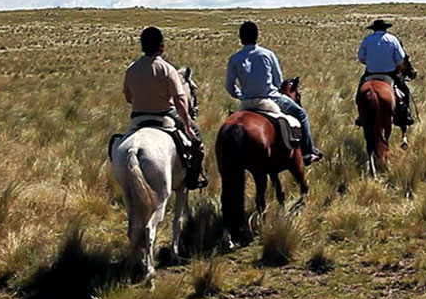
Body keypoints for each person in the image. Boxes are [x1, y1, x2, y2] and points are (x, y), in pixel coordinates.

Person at [225, 21, 323, 165]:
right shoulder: (267, 54)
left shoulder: (234, 59)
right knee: (301, 114)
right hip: (270, 98)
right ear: (257, 36)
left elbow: (229, 86)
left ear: (241, 38)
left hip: (246, 101)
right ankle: (308, 153)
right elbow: (278, 82)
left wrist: (240, 95)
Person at [123, 26, 207, 189]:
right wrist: (188, 126)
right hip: (165, 113)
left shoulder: (131, 69)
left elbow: (128, 98)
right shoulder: (167, 69)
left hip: (138, 116)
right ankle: (194, 177)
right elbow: (180, 99)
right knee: (197, 140)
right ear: (162, 46)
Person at [356, 18, 417, 127]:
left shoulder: (367, 40)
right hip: (390, 72)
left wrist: (370, 62)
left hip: (371, 72)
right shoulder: (392, 39)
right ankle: (405, 115)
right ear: (385, 29)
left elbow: (361, 57)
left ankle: (361, 116)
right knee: (405, 91)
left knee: (359, 92)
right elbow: (400, 58)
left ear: (373, 29)